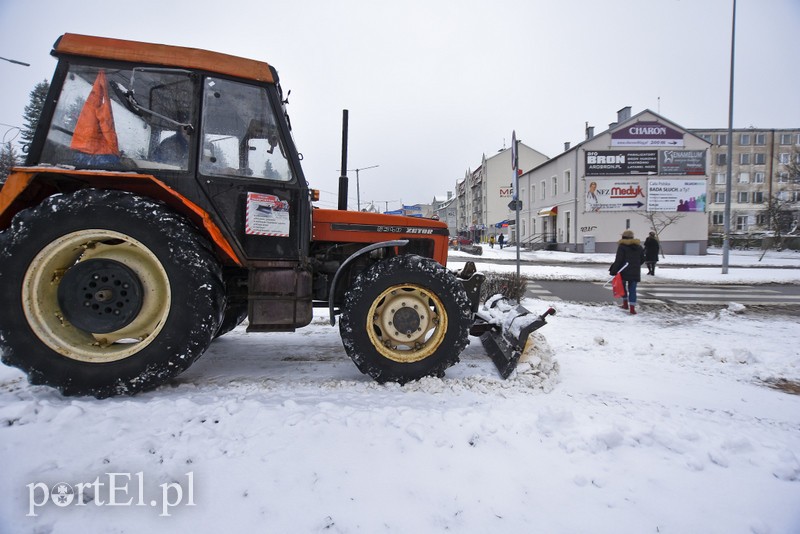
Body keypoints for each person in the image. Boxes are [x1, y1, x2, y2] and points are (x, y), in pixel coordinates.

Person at [609, 229, 645, 315]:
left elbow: (618, 260)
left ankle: (625, 304)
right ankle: (632, 308)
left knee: (622, 287)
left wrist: (614, 271)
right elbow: (643, 259)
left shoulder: (622, 247)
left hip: (623, 271)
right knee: (632, 289)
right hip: (635, 271)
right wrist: (636, 265)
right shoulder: (639, 247)